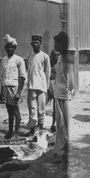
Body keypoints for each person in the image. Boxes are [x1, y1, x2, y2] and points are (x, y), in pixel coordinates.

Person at [0, 34, 26, 139]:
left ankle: (16, 133)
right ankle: (10, 132)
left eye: (11, 47)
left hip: (14, 88)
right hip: (6, 87)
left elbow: (23, 77)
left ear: (15, 48)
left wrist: (19, 92)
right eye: (7, 47)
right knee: (9, 111)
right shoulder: (3, 60)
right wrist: (1, 92)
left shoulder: (19, 60)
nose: (9, 49)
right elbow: (2, 77)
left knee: (16, 111)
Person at [24, 35, 51, 136]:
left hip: (42, 86)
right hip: (32, 86)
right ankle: (32, 129)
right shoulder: (29, 56)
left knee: (41, 108)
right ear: (31, 44)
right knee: (32, 108)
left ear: (40, 44)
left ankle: (40, 128)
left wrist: (47, 88)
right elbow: (29, 71)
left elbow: (47, 72)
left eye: (37, 43)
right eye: (33, 43)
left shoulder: (45, 56)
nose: (35, 44)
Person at [52, 31, 70, 169]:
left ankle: (66, 157)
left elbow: (71, 81)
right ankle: (59, 153)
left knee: (64, 127)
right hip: (58, 95)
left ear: (61, 44)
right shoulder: (59, 58)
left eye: (56, 43)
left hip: (65, 96)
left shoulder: (67, 59)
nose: (54, 45)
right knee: (59, 126)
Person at [47, 49, 60, 132]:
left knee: (56, 107)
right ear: (51, 55)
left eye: (57, 55)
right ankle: (39, 124)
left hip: (57, 86)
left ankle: (54, 124)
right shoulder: (47, 63)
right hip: (47, 86)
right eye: (54, 55)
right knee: (41, 105)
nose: (55, 56)